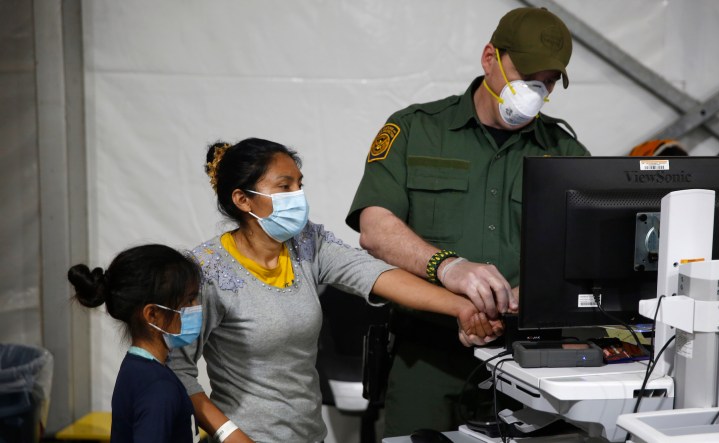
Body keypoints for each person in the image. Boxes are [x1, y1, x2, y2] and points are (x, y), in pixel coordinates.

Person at [345, 7, 591, 436]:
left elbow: (587, 252)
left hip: (527, 360)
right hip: (427, 352)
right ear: (489, 58)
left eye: (549, 82)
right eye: (528, 75)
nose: (536, 91)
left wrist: (527, 296)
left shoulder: (565, 154)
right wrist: (449, 266)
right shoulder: (416, 129)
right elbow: (376, 227)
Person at [167, 137, 505, 442]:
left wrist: (461, 307)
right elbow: (177, 368)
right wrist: (229, 435)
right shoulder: (204, 271)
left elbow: (375, 274)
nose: (297, 197)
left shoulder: (306, 244)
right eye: (284, 187)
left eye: (300, 185)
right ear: (243, 199)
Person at [67, 244, 203, 443]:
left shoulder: (136, 369)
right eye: (189, 300)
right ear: (153, 314)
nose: (196, 307)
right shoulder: (159, 388)